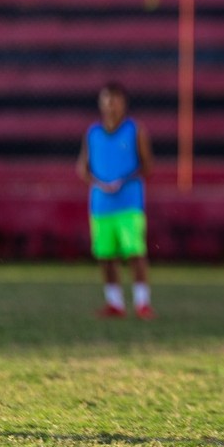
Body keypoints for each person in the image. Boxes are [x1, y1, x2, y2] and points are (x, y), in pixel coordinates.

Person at [75, 81, 155, 319]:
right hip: (101, 205)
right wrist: (99, 183)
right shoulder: (93, 133)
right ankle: (115, 303)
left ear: (123, 103)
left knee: (135, 253)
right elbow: (82, 167)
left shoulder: (135, 130)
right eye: (107, 100)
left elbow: (147, 165)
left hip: (129, 203)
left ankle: (142, 303)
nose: (111, 105)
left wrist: (122, 180)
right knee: (105, 256)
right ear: (101, 103)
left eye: (115, 99)